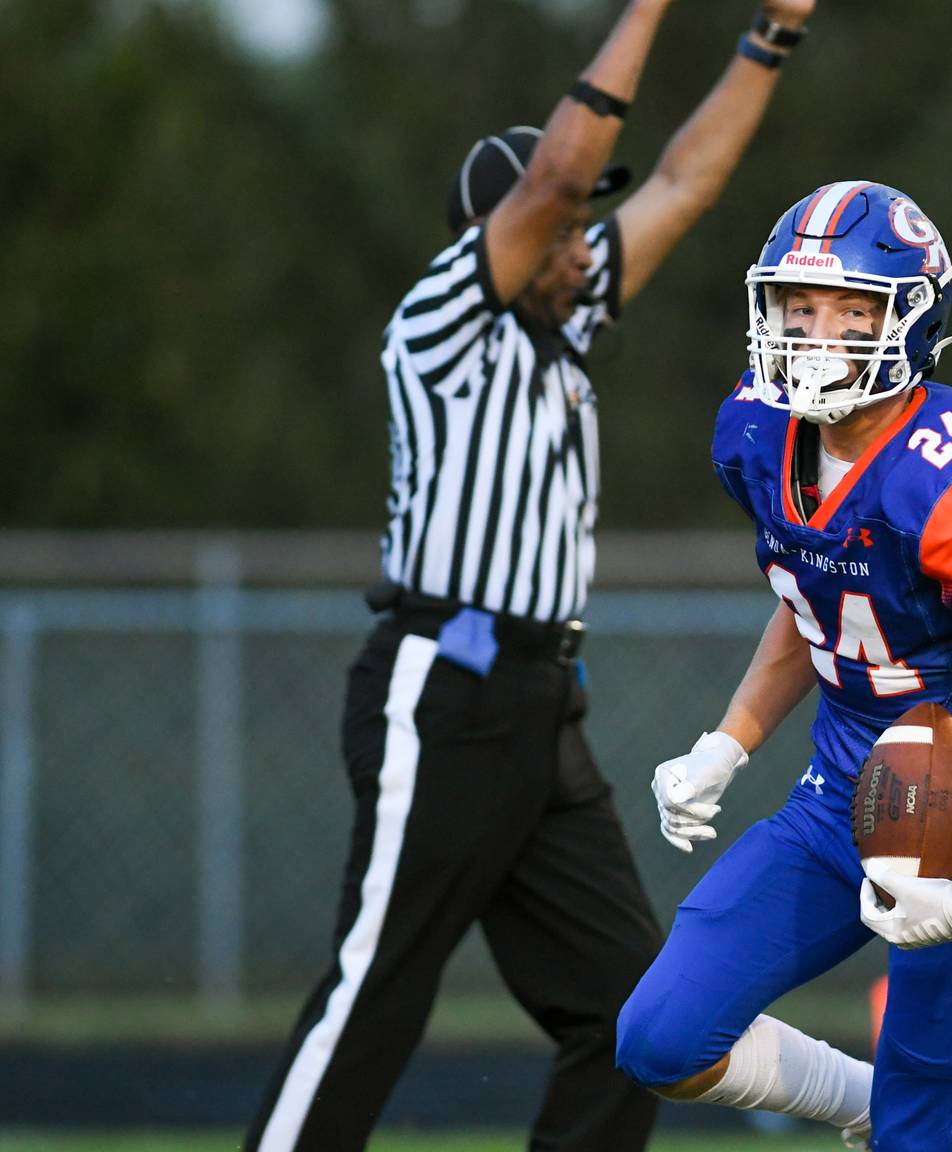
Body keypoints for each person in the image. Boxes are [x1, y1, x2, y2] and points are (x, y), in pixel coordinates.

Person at [244, 2, 818, 1149]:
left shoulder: (561, 324)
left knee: (632, 1018)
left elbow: (682, 185)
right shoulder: (445, 320)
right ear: (488, 233)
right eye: (554, 234)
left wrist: (768, 37)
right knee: (378, 993)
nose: (579, 246)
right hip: (443, 688)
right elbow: (560, 178)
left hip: (540, 708)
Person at [615, 181, 952, 1151]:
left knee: (919, 1130)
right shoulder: (755, 430)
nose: (818, 334)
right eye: (799, 307)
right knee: (659, 1039)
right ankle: (856, 1099)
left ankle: (902, 1116)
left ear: (909, 317)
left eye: (852, 310)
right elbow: (813, 602)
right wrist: (726, 746)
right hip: (834, 797)